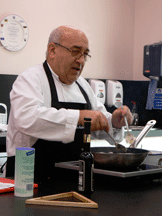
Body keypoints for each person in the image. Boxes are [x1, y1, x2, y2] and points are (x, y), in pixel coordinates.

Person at [5, 25, 133, 182]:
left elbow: (98, 119)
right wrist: (79, 117)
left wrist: (114, 121)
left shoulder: (82, 86)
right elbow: (28, 118)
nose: (80, 60)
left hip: (74, 177)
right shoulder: (30, 79)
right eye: (75, 51)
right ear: (52, 51)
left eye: (85, 54)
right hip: (31, 178)